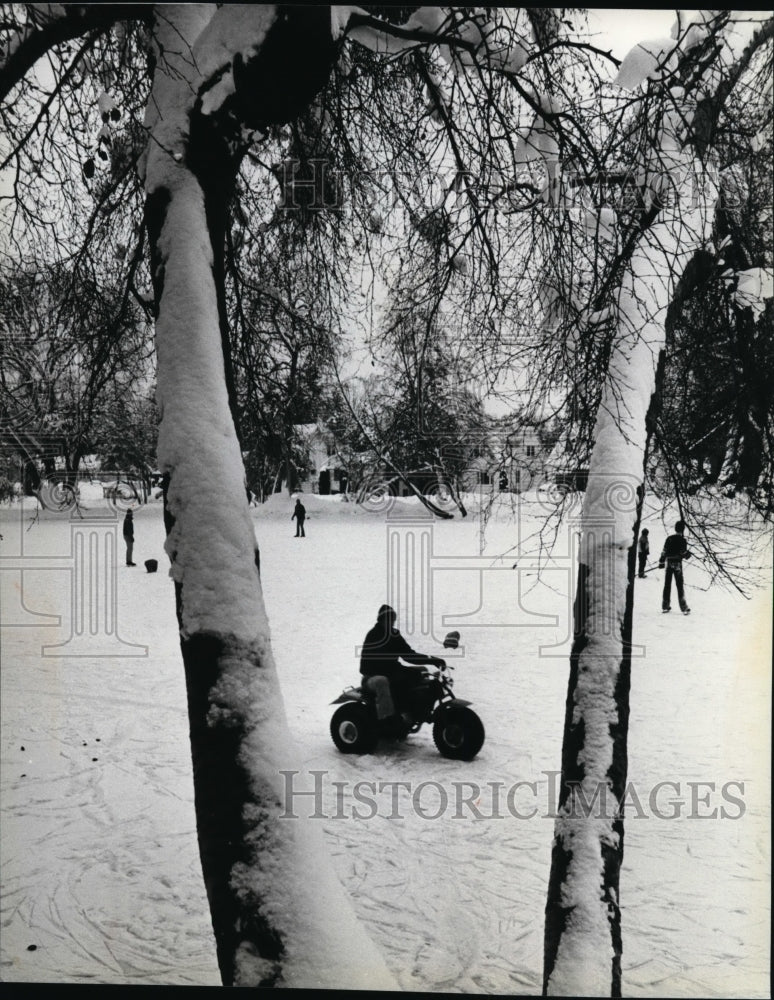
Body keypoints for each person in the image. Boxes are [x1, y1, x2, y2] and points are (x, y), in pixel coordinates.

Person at [359, 605, 446, 732]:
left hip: (391, 672)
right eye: (388, 619)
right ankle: (387, 721)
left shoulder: (394, 635)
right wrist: (393, 670)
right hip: (372, 676)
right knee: (382, 681)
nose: (391, 622)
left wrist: (433, 660)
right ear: (381, 619)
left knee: (420, 672)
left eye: (393, 619)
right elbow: (366, 666)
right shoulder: (373, 635)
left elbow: (408, 655)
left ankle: (416, 711)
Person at [658, 520, 691, 613]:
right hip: (677, 564)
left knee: (667, 585)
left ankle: (665, 606)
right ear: (682, 530)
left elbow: (664, 551)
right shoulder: (683, 540)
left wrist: (661, 562)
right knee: (679, 585)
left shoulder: (669, 539)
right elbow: (683, 553)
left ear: (675, 529)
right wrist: (688, 555)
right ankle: (684, 608)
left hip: (669, 564)